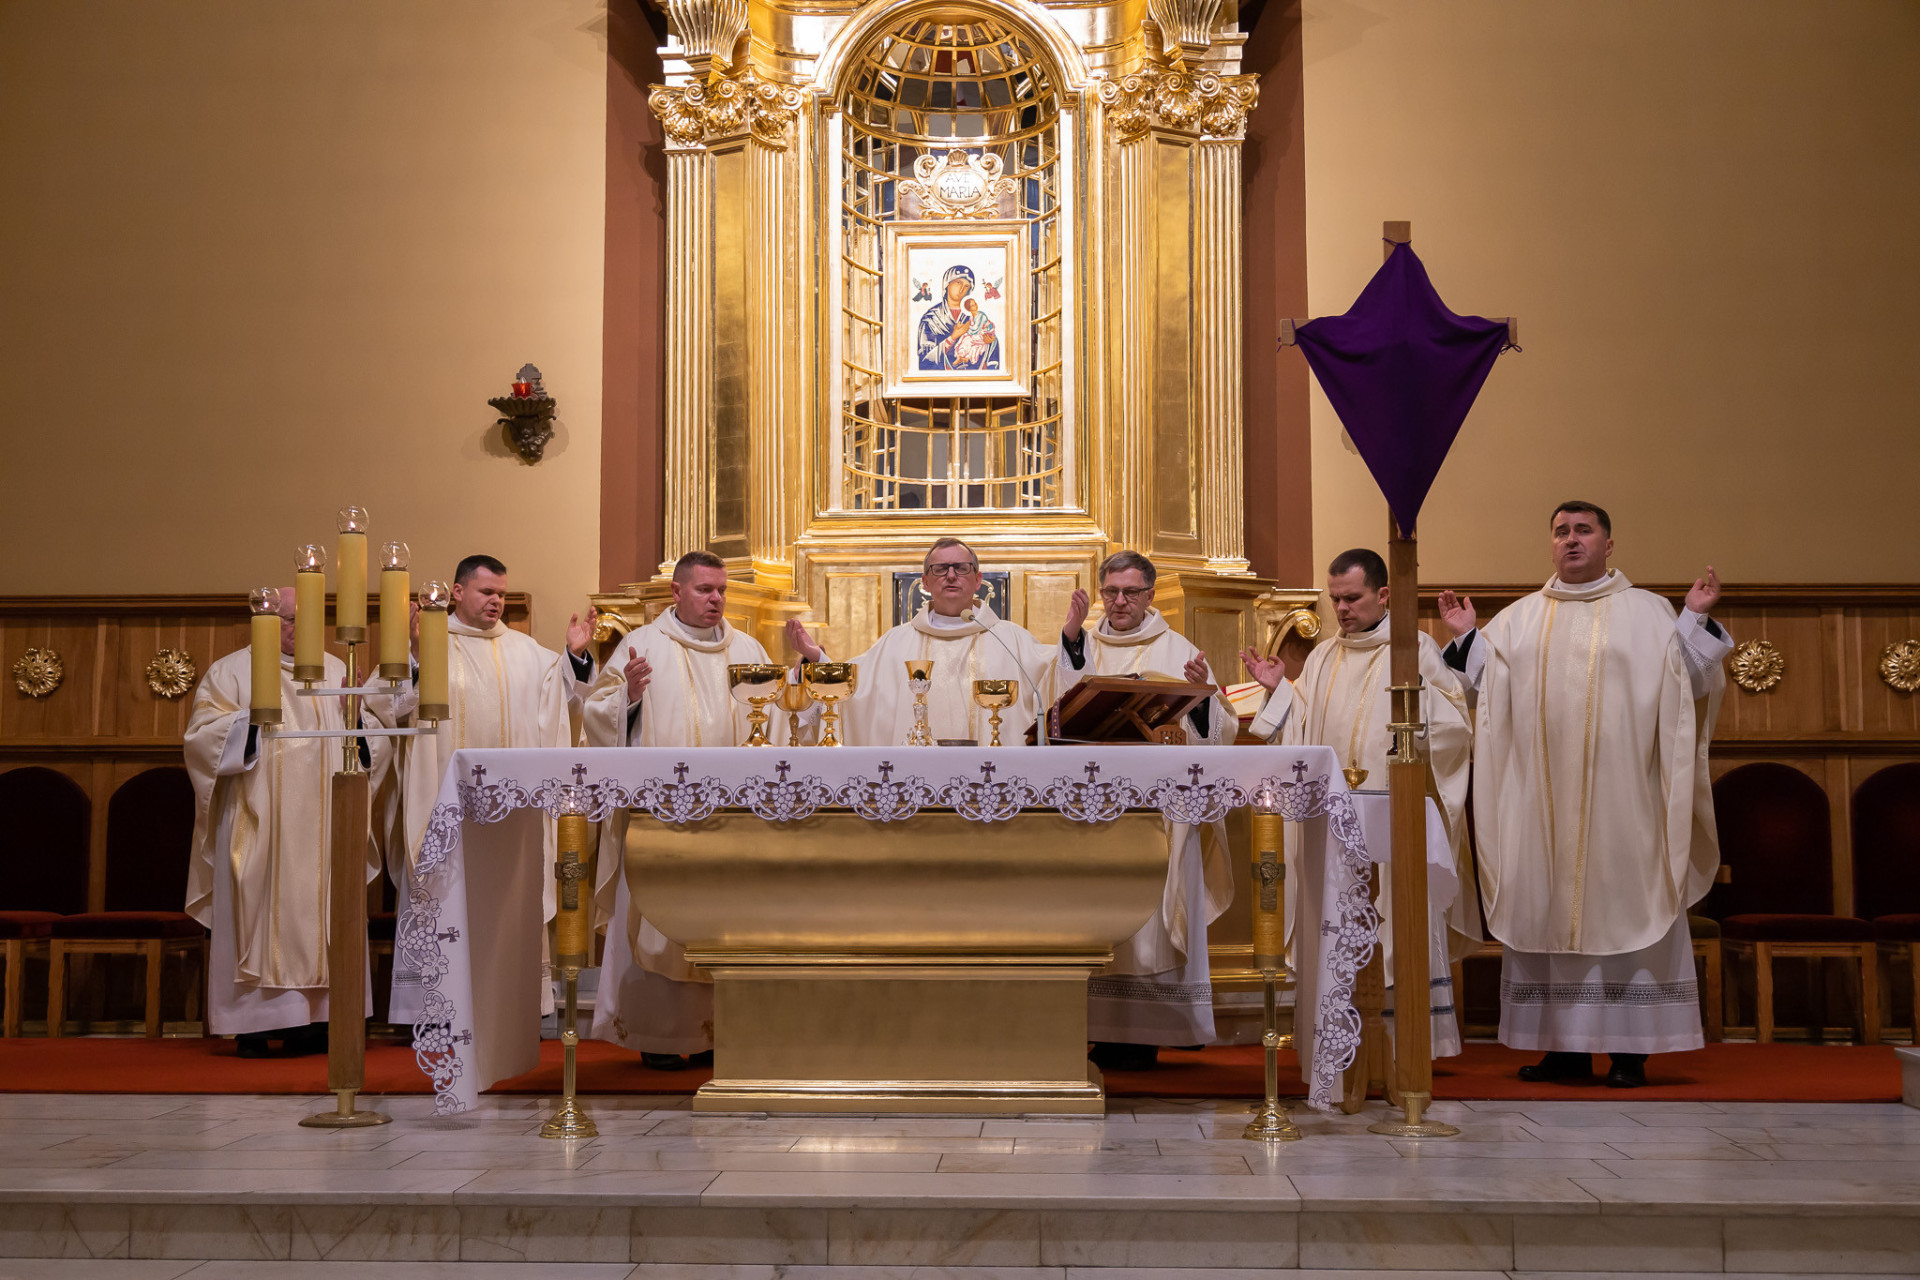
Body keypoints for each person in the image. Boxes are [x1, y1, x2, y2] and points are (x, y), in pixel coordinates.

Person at [1437, 501, 1730, 1088]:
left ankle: (1630, 1052)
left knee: (1630, 908)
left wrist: (1694, 619)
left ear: (1608, 544)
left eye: (1583, 530)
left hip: (1626, 803)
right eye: (1561, 532)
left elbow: (1692, 685)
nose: (1571, 540)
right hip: (1540, 807)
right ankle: (1563, 1050)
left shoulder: (1649, 613)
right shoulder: (1518, 620)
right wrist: (1468, 638)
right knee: (1544, 910)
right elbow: (1481, 694)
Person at [1238, 548, 1477, 1070]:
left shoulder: (1414, 649)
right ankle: (1339, 1052)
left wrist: (1420, 713)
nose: (1342, 609)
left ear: (1383, 594)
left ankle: (1402, 1052)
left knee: (1396, 918)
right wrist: (1279, 693)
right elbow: (1303, 730)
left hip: (1394, 821)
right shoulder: (1323, 656)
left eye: (1352, 598)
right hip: (1331, 824)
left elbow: (1455, 727)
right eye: (1335, 599)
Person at [581, 550, 789, 1069]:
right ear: (676, 592)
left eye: (721, 590)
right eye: (704, 589)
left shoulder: (748, 649)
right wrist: (628, 698)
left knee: (725, 920)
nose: (716, 599)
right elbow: (597, 715)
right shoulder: (642, 646)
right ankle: (658, 1035)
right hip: (661, 821)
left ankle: (722, 1035)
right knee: (657, 917)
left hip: (731, 821)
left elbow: (776, 725)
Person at [183, 589, 392, 1056]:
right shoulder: (232, 672)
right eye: (292, 619)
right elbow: (201, 741)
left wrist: (358, 722)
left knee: (325, 910)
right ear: (268, 622)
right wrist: (249, 722)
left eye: (311, 619)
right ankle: (255, 1026)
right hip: (258, 820)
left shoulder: (337, 672)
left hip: (325, 821)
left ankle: (318, 1023)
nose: (303, 629)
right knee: (257, 912)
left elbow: (372, 746)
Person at [391, 554, 595, 1014]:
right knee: (445, 897)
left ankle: (512, 1007)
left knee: (508, 901)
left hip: (510, 819)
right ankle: (435, 1007)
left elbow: (563, 704)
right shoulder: (431, 643)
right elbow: (395, 711)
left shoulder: (528, 653)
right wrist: (418, 655)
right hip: (447, 811)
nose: (496, 602)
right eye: (487, 592)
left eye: (502, 594)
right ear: (458, 592)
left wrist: (575, 658)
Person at [1059, 550, 1237, 1069]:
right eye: (1111, 592)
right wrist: (1070, 641)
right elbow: (1054, 711)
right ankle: (1095, 1029)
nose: (1120, 602)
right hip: (1093, 812)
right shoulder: (1080, 647)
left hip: (1159, 813)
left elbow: (1218, 731)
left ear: (1150, 595)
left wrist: (1200, 697)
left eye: (1131, 592)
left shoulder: (1178, 650)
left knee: (1153, 923)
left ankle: (1153, 1030)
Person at [784, 537, 1061, 747]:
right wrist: (816, 661)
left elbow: (1054, 680)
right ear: (925, 582)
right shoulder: (895, 643)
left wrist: (1072, 641)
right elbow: (854, 692)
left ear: (978, 580)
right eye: (940, 569)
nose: (950, 575)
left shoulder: (1010, 640)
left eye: (961, 568)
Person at [915, 266, 1001, 372]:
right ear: (947, 284)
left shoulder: (972, 315)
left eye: (966, 286)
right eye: (958, 283)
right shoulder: (931, 319)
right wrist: (953, 337)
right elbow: (925, 361)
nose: (961, 289)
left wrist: (990, 340)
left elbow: (988, 337)